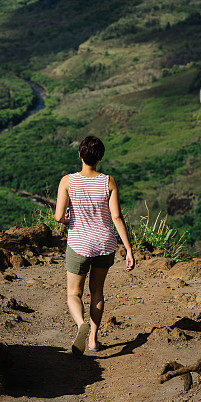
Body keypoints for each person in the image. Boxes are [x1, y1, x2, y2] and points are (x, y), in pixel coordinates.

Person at [55, 134, 135, 355]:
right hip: (104, 244)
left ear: (80, 154)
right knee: (97, 292)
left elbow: (59, 216)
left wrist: (71, 218)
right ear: (100, 158)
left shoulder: (67, 181)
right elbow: (117, 217)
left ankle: (81, 323)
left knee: (73, 294)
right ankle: (92, 339)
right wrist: (128, 249)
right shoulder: (108, 181)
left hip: (79, 244)